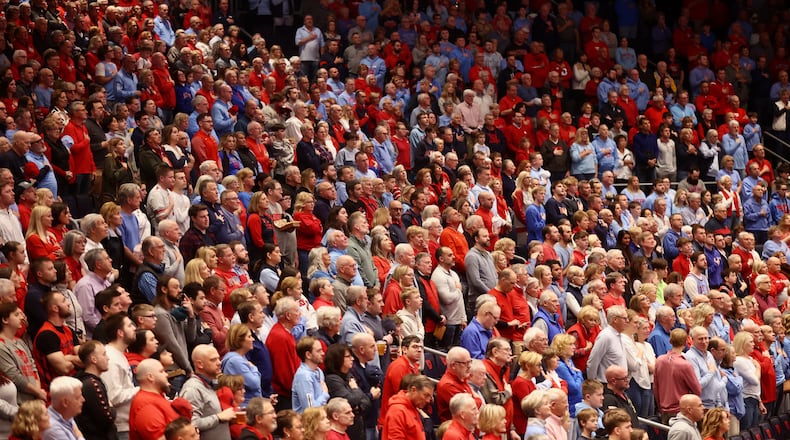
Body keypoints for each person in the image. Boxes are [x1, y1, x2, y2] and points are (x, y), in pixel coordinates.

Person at [179, 345, 236, 440]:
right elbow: (191, 424)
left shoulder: (208, 384)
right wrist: (218, 417)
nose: (219, 363)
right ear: (200, 364)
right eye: (213, 360)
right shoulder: (193, 389)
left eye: (218, 358)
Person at [128, 359, 182, 440]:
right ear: (150, 377)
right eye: (162, 371)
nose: (166, 375)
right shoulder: (146, 406)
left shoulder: (157, 398)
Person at [74, 340, 117, 440]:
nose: (108, 358)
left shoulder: (88, 381)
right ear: (94, 359)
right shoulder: (91, 385)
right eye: (104, 354)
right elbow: (107, 418)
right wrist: (111, 407)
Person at [380, 375, 435, 440]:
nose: (428, 400)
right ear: (413, 390)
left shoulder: (413, 406)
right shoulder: (397, 411)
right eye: (426, 395)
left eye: (430, 397)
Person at [221, 324, 262, 406]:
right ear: (240, 340)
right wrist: (254, 368)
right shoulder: (235, 361)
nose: (253, 339)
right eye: (249, 337)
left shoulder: (241, 357)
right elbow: (254, 384)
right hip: (245, 407)